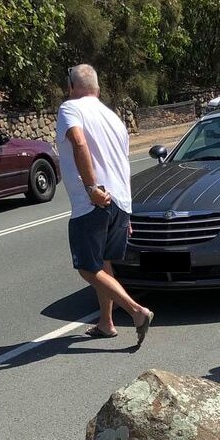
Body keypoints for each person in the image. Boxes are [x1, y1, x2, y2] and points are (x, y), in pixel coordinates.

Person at [56, 64, 154, 345]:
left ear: (71, 87)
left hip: (94, 203)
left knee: (87, 267)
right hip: (119, 202)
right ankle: (106, 322)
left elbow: (78, 142)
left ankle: (137, 311)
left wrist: (91, 188)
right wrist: (128, 212)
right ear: (98, 88)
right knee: (103, 262)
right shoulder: (114, 119)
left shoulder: (70, 108)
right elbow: (122, 165)